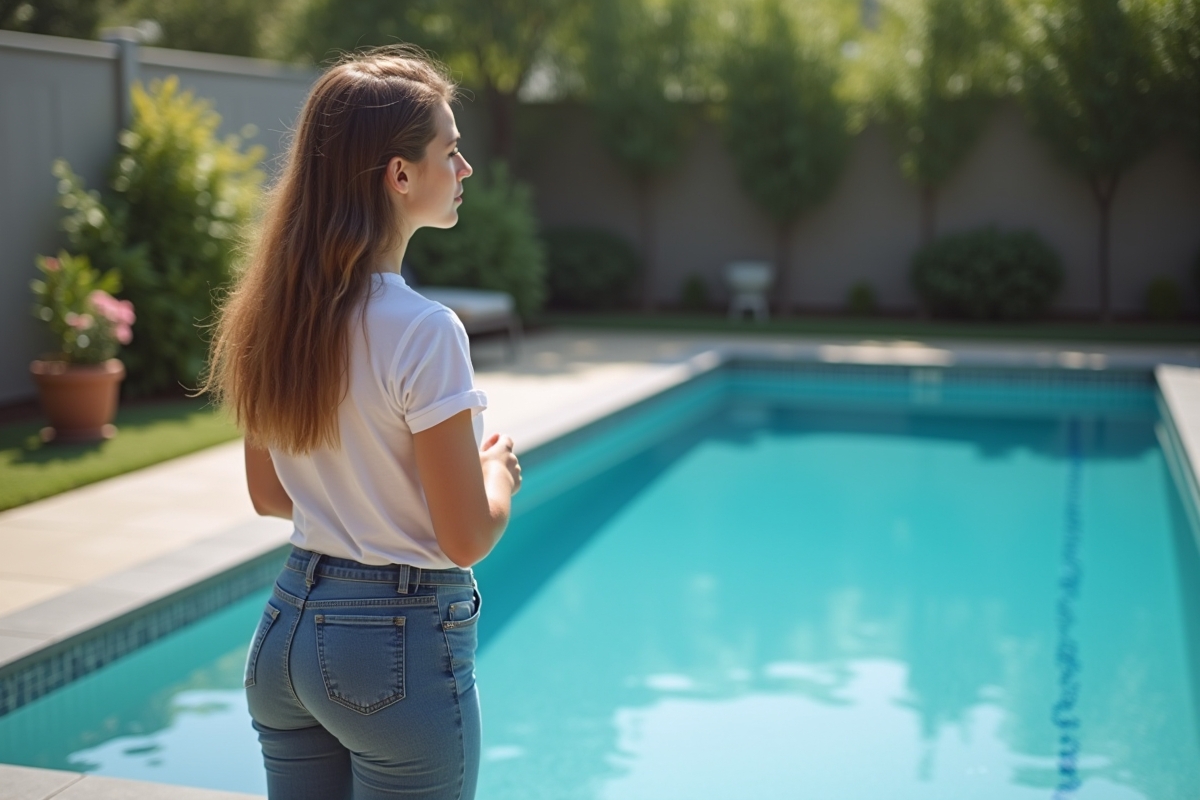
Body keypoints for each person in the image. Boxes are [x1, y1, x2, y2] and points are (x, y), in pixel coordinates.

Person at [201, 46, 521, 800]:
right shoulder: (425, 330)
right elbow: (466, 537)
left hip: (285, 637)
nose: (465, 168)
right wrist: (494, 476)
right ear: (399, 175)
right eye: (451, 150)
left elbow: (271, 495)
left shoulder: (271, 316)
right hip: (392, 652)